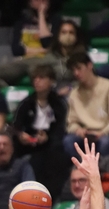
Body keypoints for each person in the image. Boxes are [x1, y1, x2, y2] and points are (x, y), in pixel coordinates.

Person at [13, 63, 68, 200]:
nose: (37, 81)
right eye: (35, 78)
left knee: (56, 155)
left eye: (41, 78)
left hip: (51, 145)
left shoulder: (58, 103)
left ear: (51, 81)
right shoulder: (26, 103)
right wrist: (21, 136)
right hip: (28, 146)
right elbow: (16, 127)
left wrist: (48, 137)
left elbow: (61, 128)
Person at [64, 52, 109, 159]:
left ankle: (100, 169)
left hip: (105, 133)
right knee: (68, 140)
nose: (76, 73)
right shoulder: (74, 93)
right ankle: (81, 168)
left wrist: (102, 132)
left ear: (89, 65)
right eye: (73, 70)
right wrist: (78, 129)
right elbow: (71, 122)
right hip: (84, 134)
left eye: (79, 68)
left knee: (106, 142)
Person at [0, 0, 61, 85]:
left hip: (44, 61)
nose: (41, 1)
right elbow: (16, 50)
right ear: (30, 3)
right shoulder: (21, 22)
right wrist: (42, 50)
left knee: (36, 71)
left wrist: (41, 16)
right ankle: (9, 91)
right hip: (24, 60)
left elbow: (47, 43)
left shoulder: (56, 21)